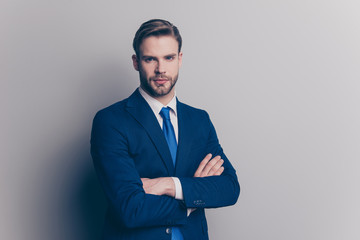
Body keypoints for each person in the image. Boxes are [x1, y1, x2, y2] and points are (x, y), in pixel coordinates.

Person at [90, 19, 240, 240]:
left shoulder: (199, 120)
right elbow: (130, 208)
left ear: (179, 59)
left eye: (168, 58)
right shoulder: (111, 121)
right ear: (136, 62)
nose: (161, 69)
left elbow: (229, 188)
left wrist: (169, 185)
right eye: (150, 59)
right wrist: (191, 198)